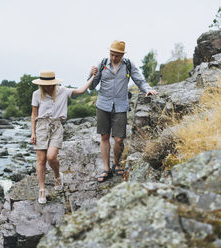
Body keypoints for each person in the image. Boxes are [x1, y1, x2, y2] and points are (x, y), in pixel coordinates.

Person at [89, 40, 158, 182]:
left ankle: (116, 164)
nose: (114, 58)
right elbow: (92, 86)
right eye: (112, 54)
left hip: (120, 106)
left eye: (117, 56)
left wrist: (147, 89)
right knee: (104, 137)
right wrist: (91, 75)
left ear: (122, 55)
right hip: (103, 105)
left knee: (119, 139)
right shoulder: (102, 63)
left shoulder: (128, 65)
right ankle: (106, 170)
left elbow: (139, 80)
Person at [31, 70, 95, 204]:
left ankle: (57, 176)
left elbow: (81, 90)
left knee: (51, 157)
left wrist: (93, 76)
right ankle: (42, 190)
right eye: (45, 85)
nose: (47, 87)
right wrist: (33, 132)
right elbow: (34, 114)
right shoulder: (36, 94)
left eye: (50, 84)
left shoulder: (63, 91)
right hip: (41, 127)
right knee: (41, 160)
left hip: (56, 126)